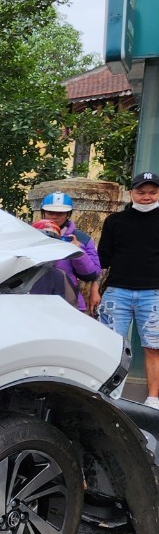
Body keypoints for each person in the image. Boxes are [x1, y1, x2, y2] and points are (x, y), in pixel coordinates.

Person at [92, 171, 159, 408]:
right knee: (112, 346)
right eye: (141, 192)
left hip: (154, 293)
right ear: (131, 193)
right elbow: (103, 261)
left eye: (152, 192)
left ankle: (153, 399)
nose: (147, 197)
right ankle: (110, 397)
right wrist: (95, 289)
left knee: (154, 347)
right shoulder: (115, 222)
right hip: (117, 292)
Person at [34, 192, 100, 312]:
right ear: (43, 212)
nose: (54, 216)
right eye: (50, 212)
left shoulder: (82, 239)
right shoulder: (29, 234)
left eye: (60, 213)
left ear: (68, 214)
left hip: (68, 300)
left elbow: (91, 274)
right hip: (35, 299)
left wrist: (77, 251)